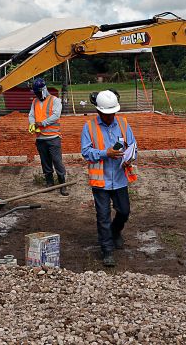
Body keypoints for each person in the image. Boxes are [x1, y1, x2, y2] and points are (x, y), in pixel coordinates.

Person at [80, 90, 138, 267]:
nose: (110, 116)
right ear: (98, 111)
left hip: (120, 178)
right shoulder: (89, 127)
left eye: (112, 113)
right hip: (101, 181)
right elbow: (86, 152)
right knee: (103, 216)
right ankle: (107, 250)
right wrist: (106, 153)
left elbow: (133, 144)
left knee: (124, 211)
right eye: (107, 114)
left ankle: (115, 231)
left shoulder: (122, 123)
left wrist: (131, 155)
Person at [28, 78, 69, 196]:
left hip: (53, 137)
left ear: (44, 90)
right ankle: (49, 182)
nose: (37, 95)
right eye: (35, 93)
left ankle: (62, 185)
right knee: (45, 162)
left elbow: (56, 115)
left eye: (38, 92)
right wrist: (32, 123)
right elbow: (31, 114)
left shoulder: (55, 100)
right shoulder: (35, 102)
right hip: (40, 138)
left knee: (57, 161)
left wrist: (42, 123)